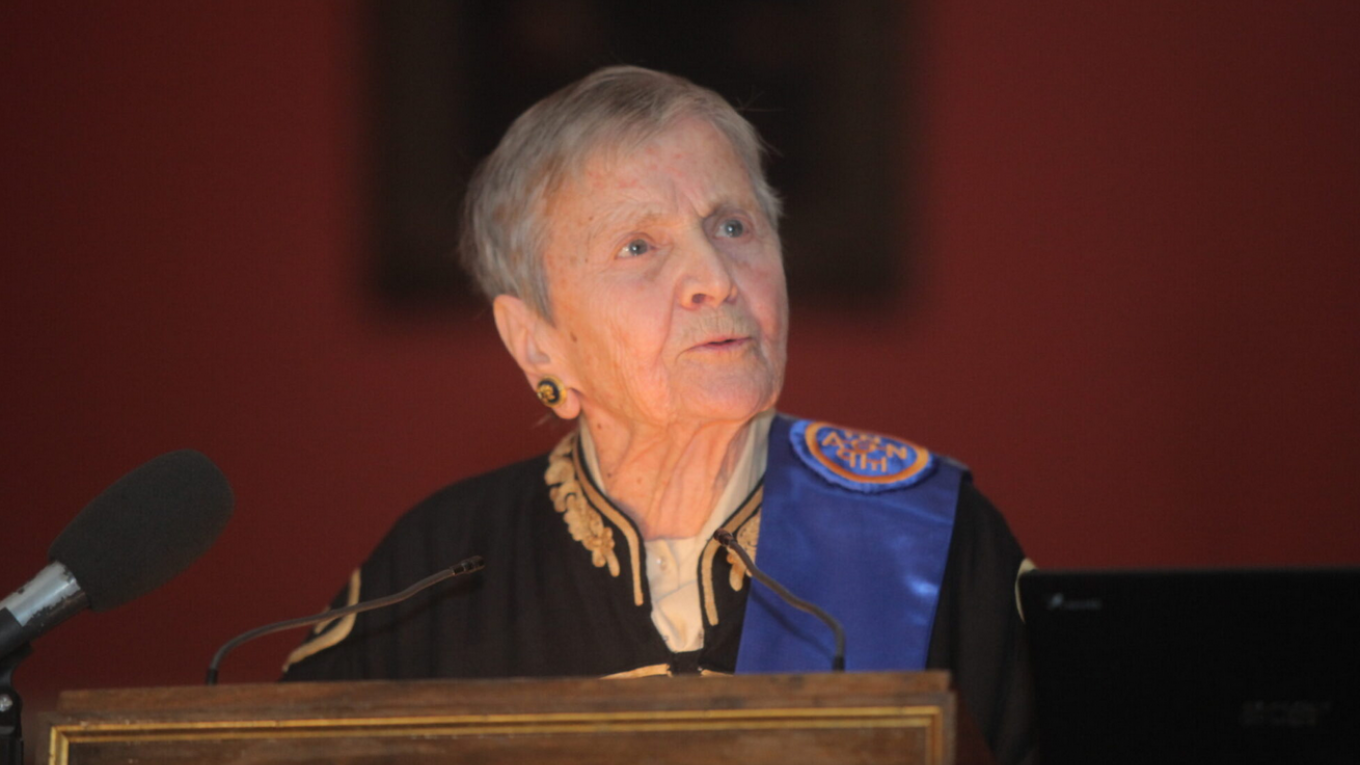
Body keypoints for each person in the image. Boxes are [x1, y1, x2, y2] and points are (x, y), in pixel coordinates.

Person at [281, 66, 1035, 764]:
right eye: (638, 246)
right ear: (537, 342)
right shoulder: (434, 574)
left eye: (732, 226)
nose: (715, 278)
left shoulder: (926, 537)